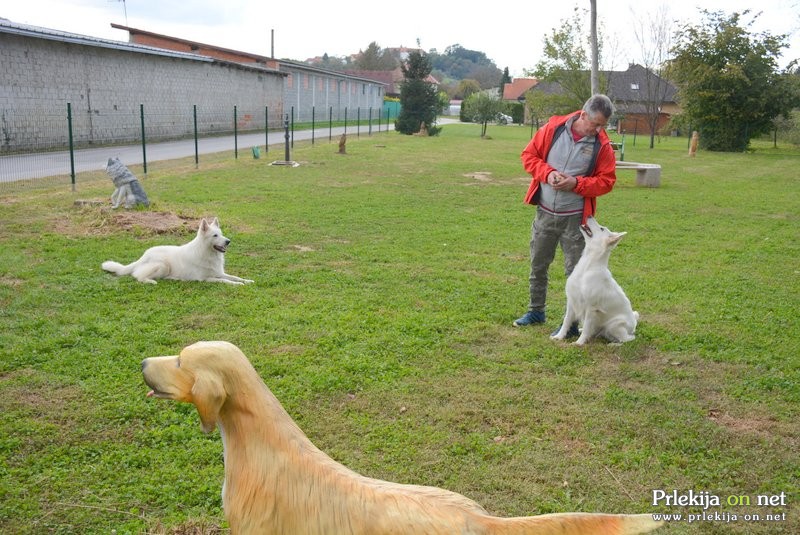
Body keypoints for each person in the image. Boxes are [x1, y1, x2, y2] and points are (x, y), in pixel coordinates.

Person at [513, 94, 617, 334]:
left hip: (576, 219)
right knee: (538, 264)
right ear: (583, 115)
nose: (599, 130)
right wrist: (547, 174)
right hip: (545, 213)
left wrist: (576, 184)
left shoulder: (601, 146)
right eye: (595, 124)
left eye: (603, 125)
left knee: (576, 273)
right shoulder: (553, 129)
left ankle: (571, 324)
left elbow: (607, 181)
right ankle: (536, 311)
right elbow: (529, 156)